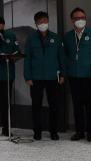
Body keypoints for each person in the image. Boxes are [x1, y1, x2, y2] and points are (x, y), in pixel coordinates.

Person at [24, 11, 66, 141]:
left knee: (54, 105)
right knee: (36, 105)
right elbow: (27, 59)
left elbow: (62, 58)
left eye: (45, 21)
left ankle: (53, 131)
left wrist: (63, 74)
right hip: (36, 77)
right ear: (36, 23)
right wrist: (28, 77)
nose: (43, 24)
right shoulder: (31, 39)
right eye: (40, 22)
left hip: (53, 77)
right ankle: (37, 131)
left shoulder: (56, 38)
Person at [63, 7, 91, 142]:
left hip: (89, 75)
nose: (80, 20)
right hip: (73, 75)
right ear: (72, 20)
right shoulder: (67, 36)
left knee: (90, 105)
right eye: (77, 18)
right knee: (77, 105)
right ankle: (79, 131)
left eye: (83, 18)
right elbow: (65, 54)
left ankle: (90, 132)